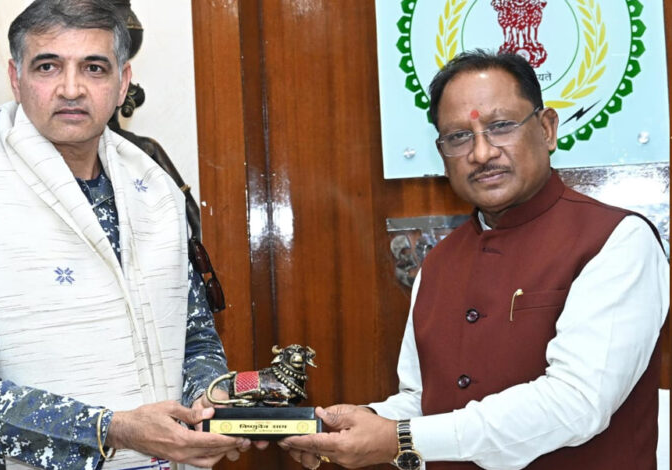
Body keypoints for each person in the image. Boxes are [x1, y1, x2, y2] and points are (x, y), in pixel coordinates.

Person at [280, 50, 669, 470]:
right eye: (459, 136)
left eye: (501, 127)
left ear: (547, 129)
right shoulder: (438, 263)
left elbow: (576, 404)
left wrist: (399, 438)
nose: (482, 153)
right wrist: (351, 426)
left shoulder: (617, 240)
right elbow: (423, 400)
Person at [0, 1, 251, 468]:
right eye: (48, 66)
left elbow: (196, 340)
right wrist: (110, 430)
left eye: (94, 67)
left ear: (122, 82)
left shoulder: (157, 196)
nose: (71, 89)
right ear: (16, 78)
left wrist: (209, 399)